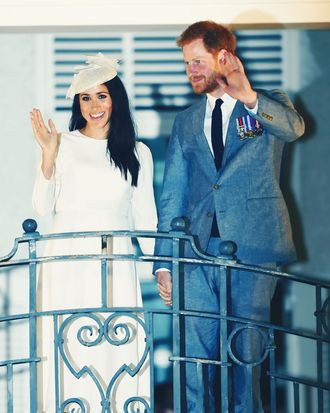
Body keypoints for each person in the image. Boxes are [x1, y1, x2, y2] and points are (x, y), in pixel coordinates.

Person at [154, 21, 305, 413]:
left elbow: (294, 130)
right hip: (196, 254)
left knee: (246, 359)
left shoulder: (267, 104)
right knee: (192, 361)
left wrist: (250, 96)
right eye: (187, 64)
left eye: (198, 61)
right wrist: (164, 263)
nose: (192, 71)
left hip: (254, 251)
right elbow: (172, 194)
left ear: (224, 57)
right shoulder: (186, 121)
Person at [31, 53, 157, 413]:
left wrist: (160, 271)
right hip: (65, 261)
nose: (94, 105)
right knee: (68, 341)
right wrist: (47, 157)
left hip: (115, 262)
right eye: (85, 98)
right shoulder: (63, 144)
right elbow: (41, 208)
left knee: (115, 342)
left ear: (116, 98)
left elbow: (146, 220)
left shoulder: (138, 152)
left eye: (101, 95)